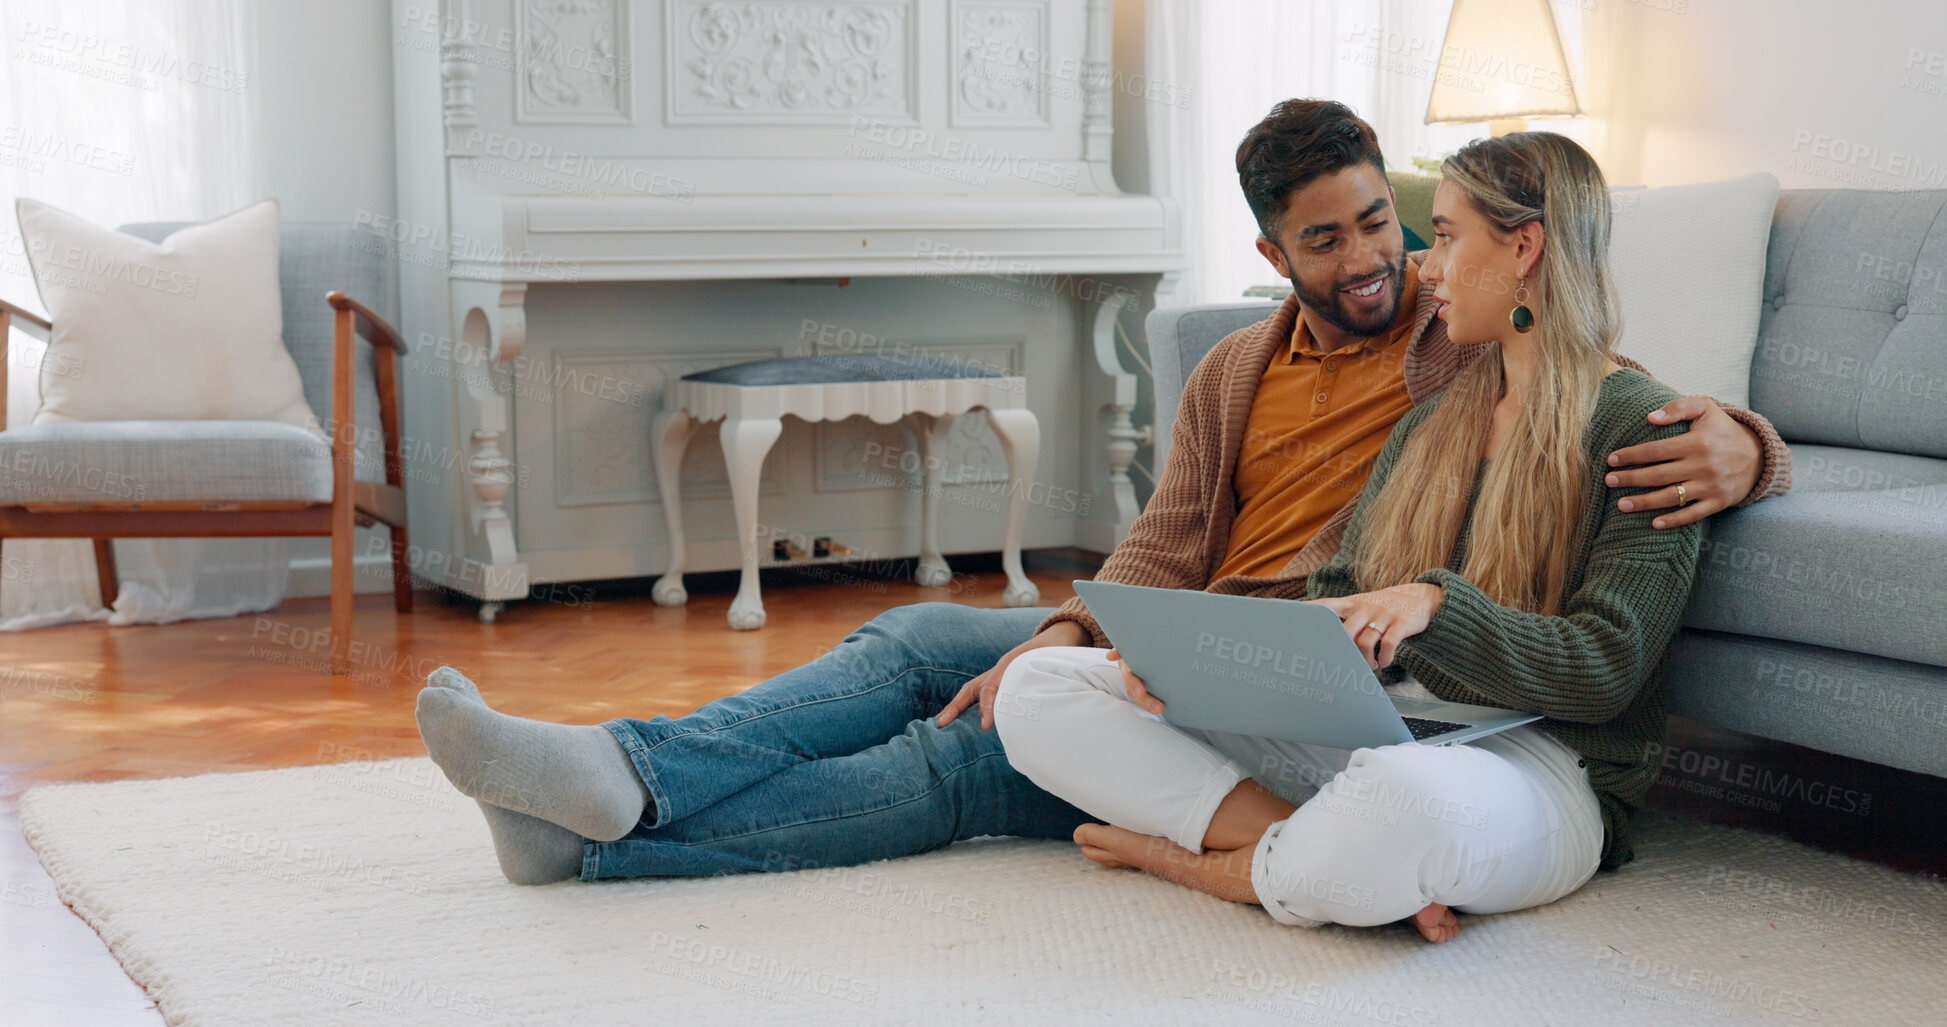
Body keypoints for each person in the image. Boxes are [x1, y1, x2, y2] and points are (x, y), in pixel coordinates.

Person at [412, 100, 1788, 897]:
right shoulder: (1237, 363)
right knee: (920, 647)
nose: (1382, 261)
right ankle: (624, 773)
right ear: (1271, 250)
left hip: (1305, 672)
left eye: (1390, 221)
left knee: (962, 755)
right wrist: (1081, 631)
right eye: (1332, 238)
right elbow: (1165, 536)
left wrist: (1745, 442)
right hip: (1196, 640)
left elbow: (1590, 387)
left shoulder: (1448, 353)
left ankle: (606, 827)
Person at [993, 129, 1705, 944]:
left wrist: (1435, 605)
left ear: (1523, 245)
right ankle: (1306, 852)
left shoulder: (1643, 432)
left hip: (1545, 767)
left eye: (1441, 236)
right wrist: (1203, 667)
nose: (1423, 266)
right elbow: (1336, 593)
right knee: (1040, 685)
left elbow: (1604, 672)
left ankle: (1197, 861)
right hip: (1388, 729)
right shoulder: (1434, 419)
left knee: (1401, 800)